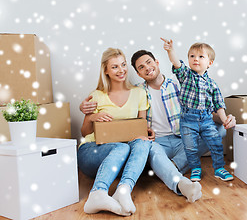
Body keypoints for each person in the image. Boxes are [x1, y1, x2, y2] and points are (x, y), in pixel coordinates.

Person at [80, 49, 236, 202]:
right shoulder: (138, 91)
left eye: (149, 62)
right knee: (145, 146)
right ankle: (177, 179)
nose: (147, 68)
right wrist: (88, 112)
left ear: (157, 62)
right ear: (138, 73)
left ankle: (170, 167)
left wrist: (225, 119)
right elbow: (136, 124)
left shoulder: (181, 85)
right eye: (141, 67)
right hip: (157, 143)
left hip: (183, 138)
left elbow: (205, 114)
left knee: (219, 130)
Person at [78, 48, 154, 216]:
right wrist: (92, 117)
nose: (121, 70)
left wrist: (147, 133)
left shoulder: (139, 93)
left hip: (120, 158)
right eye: (114, 67)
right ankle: (97, 193)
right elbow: (84, 133)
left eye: (123, 65)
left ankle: (123, 191)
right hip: (92, 151)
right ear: (105, 70)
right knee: (121, 148)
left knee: (141, 143)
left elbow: (141, 126)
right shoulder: (96, 95)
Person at [161, 38, 235, 182]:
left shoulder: (212, 84)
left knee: (215, 143)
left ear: (209, 63)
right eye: (192, 56)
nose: (196, 59)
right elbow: (176, 63)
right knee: (190, 147)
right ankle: (195, 168)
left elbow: (219, 104)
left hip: (206, 119)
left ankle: (219, 168)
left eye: (201, 56)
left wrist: (225, 119)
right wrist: (170, 51)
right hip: (188, 120)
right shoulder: (185, 76)